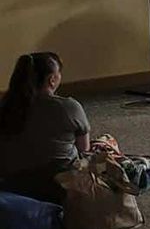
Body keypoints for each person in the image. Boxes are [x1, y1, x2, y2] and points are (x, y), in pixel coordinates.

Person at [0, 52, 89, 203]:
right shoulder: (69, 107)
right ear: (52, 79)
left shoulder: (4, 107)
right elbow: (84, 149)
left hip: (12, 187)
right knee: (105, 145)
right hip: (59, 188)